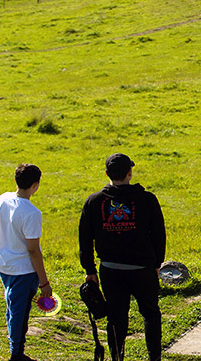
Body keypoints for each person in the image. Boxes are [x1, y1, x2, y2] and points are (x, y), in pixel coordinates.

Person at [79, 153, 167, 361]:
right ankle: (154, 358)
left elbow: (84, 240)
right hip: (143, 269)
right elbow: (159, 234)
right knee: (151, 314)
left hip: (110, 270)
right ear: (130, 173)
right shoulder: (147, 199)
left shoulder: (94, 202)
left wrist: (90, 270)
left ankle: (117, 358)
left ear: (107, 173)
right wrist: (157, 264)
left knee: (116, 319)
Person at [0, 163, 52, 361]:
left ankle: (15, 348)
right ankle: (16, 353)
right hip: (23, 270)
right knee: (19, 312)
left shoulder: (2, 199)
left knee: (12, 307)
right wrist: (44, 282)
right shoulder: (32, 213)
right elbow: (33, 250)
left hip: (4, 264)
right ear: (35, 185)